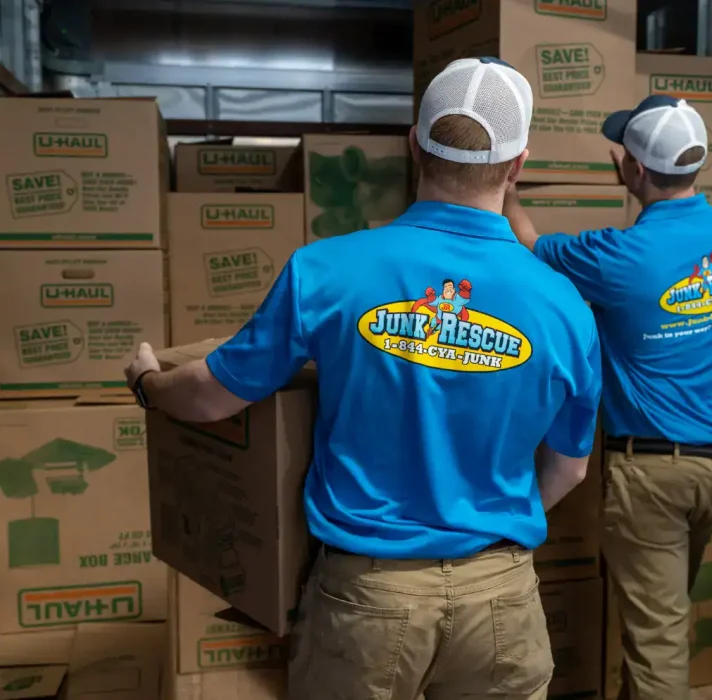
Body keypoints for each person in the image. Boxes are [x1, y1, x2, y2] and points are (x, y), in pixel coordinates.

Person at [125, 57, 602, 700]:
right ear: (518, 166)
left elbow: (212, 395)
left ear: (414, 144)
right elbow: (569, 470)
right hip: (501, 597)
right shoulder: (564, 305)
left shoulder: (326, 271)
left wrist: (149, 386)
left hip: (368, 596)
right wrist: (482, 534)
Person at [504, 95, 712, 700]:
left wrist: (509, 190)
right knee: (658, 620)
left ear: (635, 171)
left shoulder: (616, 258)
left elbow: (527, 248)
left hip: (649, 476)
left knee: (657, 644)